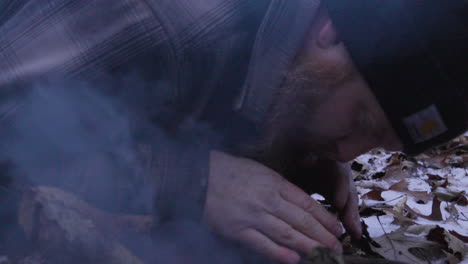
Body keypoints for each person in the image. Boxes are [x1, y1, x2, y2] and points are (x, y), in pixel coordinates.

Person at [0, 0, 466, 263]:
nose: (350, 150)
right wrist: (192, 180)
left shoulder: (298, 60)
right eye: (362, 121)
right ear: (331, 34)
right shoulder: (165, 16)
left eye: (376, 143)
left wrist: (302, 153)